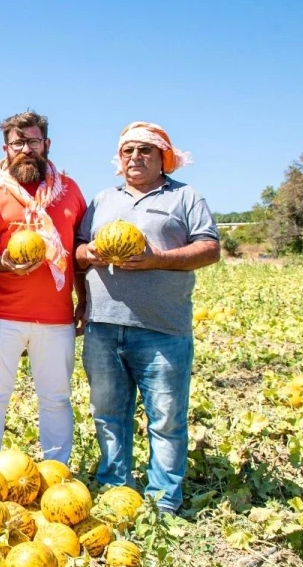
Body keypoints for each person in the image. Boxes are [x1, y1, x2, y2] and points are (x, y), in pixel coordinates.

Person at [75, 122, 220, 514]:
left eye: (145, 151)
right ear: (119, 160)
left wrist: (158, 259)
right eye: (128, 151)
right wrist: (90, 255)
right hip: (104, 326)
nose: (135, 158)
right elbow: (78, 250)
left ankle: (162, 502)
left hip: (162, 328)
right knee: (108, 414)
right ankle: (114, 490)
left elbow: (209, 249)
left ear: (162, 158)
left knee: (166, 419)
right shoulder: (104, 198)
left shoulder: (185, 197)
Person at [0, 110, 87, 465]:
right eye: (18, 143)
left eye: (33, 142)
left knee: (56, 398)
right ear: (5, 148)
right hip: (1, 313)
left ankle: (57, 471)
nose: (26, 149)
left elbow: (77, 251)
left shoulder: (69, 191)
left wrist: (84, 300)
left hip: (56, 316)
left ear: (46, 144)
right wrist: (1, 261)